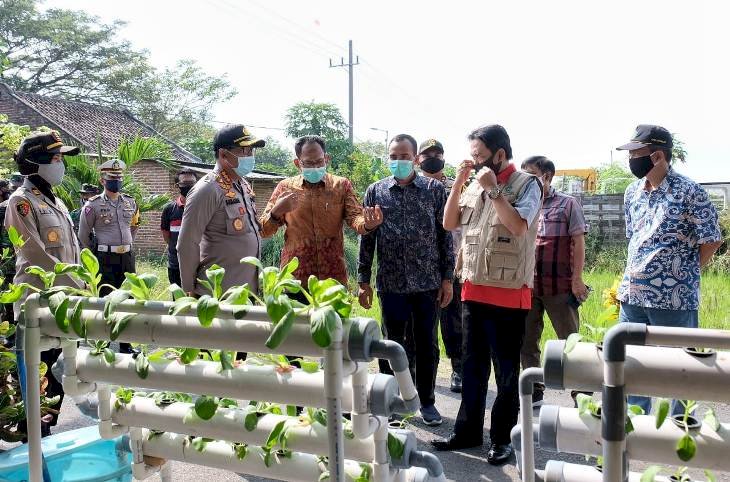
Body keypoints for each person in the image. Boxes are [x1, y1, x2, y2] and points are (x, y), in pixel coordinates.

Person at [432, 125, 542, 466]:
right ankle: (467, 431)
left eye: (480, 156)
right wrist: (457, 184)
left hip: (510, 295)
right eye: (472, 156)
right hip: (473, 290)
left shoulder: (527, 184)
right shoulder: (476, 184)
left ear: (499, 154)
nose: (475, 161)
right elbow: (450, 223)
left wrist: (493, 190)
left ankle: (502, 440)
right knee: (473, 366)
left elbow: (519, 227)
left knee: (506, 372)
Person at [616, 125, 722, 415]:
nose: (631, 160)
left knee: (681, 368)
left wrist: (685, 272)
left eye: (636, 154)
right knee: (632, 365)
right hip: (633, 296)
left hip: (673, 299)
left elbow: (711, 238)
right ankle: (635, 426)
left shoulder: (690, 192)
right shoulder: (632, 193)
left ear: (658, 156)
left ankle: (679, 428)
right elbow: (634, 238)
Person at [358, 134, 454, 427]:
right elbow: (367, 238)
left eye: (403, 156)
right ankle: (394, 402)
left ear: (415, 159)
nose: (398, 161)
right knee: (391, 346)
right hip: (391, 284)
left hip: (427, 283)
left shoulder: (434, 190)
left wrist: (448, 279)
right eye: (393, 156)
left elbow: (445, 236)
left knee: (427, 345)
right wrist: (363, 279)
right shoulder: (376, 191)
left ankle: (426, 402)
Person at [4, 131, 82, 435]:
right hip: (38, 299)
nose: (60, 164)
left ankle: (44, 433)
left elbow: (72, 249)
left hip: (65, 297)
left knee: (57, 371)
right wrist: (76, 280)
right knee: (38, 372)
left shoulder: (58, 202)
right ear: (36, 161)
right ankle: (31, 439)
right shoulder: (21, 202)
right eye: (56, 157)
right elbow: (33, 252)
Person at [259, 135, 383, 287]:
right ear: (298, 163)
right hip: (295, 279)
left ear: (327, 159)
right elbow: (263, 230)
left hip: (332, 278)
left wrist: (368, 224)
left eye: (319, 161)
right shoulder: (285, 187)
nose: (315, 167)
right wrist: (276, 212)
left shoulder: (341, 186)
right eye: (309, 163)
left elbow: (355, 217)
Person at [519, 156, 589, 408]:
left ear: (547, 176)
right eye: (523, 174)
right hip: (527, 285)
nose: (526, 179)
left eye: (532, 174)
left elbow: (578, 242)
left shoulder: (567, 204)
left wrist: (577, 279)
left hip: (559, 284)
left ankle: (580, 392)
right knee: (527, 340)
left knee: (570, 341)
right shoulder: (522, 204)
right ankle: (535, 389)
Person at [177, 124, 263, 296]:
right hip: (219, 293)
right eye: (243, 151)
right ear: (224, 154)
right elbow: (187, 243)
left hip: (246, 290)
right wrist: (189, 289)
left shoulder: (243, 185)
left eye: (251, 151)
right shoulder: (207, 189)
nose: (249, 156)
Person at [416, 138, 463, 393]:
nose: (433, 157)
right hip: (423, 269)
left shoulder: (458, 186)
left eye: (437, 153)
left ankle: (458, 369)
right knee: (425, 326)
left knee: (454, 322)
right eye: (427, 154)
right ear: (418, 159)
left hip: (454, 263)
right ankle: (424, 379)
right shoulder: (414, 186)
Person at [78, 159, 140, 353]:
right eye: (112, 178)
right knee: (104, 301)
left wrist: (127, 244)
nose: (117, 181)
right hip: (104, 259)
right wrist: (96, 254)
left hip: (127, 258)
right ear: (102, 180)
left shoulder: (130, 202)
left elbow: (134, 225)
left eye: (119, 177)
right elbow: (83, 235)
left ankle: (126, 344)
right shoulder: (93, 205)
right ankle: (102, 343)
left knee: (127, 301)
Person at [161, 171, 197, 287]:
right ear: (177, 186)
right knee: (178, 300)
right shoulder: (169, 209)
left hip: (200, 264)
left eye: (192, 183)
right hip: (176, 265)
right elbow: (167, 238)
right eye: (185, 183)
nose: (189, 186)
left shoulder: (204, 207)